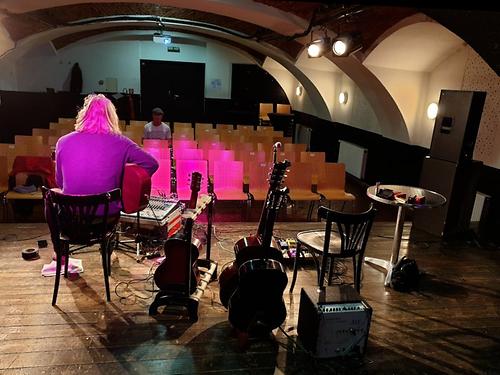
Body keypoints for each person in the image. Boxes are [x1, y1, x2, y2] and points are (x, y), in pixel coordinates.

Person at [54, 94, 159, 213]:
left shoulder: (63, 141)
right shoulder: (122, 142)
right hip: (106, 215)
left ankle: (56, 232)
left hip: (71, 214)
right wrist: (123, 181)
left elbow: (60, 182)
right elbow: (151, 164)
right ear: (111, 117)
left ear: (84, 114)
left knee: (51, 194)